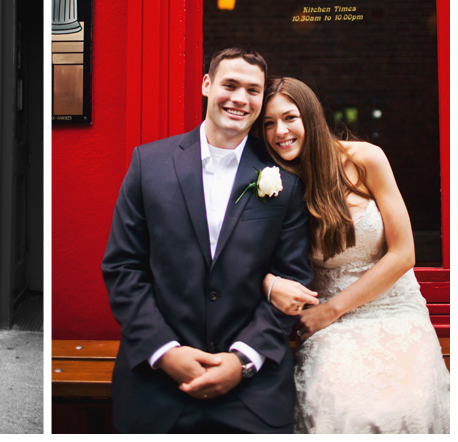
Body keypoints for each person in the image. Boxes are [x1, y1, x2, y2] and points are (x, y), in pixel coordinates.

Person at [101, 48, 313, 434]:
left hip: (252, 395)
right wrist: (165, 352)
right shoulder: (148, 164)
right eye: (229, 85)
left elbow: (293, 279)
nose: (239, 99)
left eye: (252, 90)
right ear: (206, 85)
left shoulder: (285, 181)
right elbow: (123, 267)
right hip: (156, 388)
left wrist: (242, 361)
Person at [261, 77, 449, 434]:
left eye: (289, 118)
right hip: (332, 326)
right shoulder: (274, 181)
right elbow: (248, 255)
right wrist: (271, 283)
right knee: (342, 407)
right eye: (268, 124)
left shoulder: (365, 159)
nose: (279, 131)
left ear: (311, 118)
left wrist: (330, 311)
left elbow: (404, 253)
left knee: (408, 404)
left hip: (392, 308)